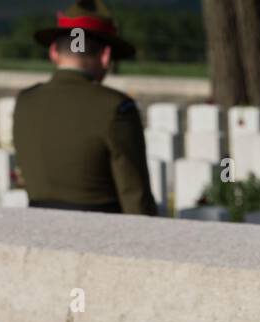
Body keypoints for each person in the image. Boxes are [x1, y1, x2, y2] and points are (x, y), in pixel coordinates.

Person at [13, 0, 156, 215]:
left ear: (53, 51)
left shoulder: (25, 101)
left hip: (38, 229)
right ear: (106, 56)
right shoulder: (116, 108)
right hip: (101, 233)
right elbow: (134, 194)